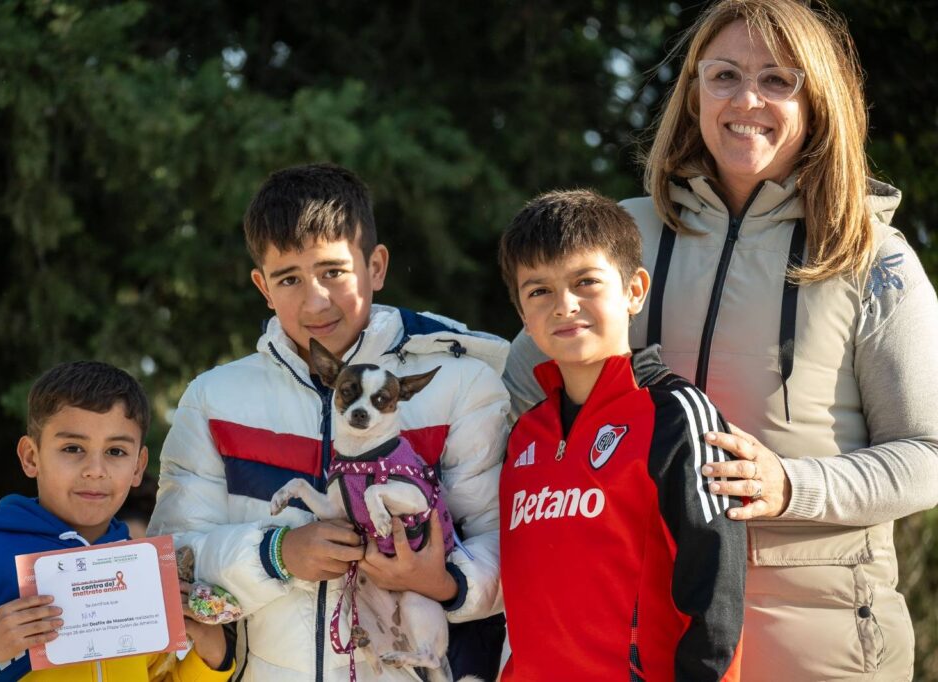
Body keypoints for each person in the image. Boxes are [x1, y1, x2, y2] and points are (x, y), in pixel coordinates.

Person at [503, 1, 938, 679]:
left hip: (823, 649)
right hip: (660, 647)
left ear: (818, 97)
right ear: (694, 92)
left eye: (777, 79)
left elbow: (927, 456)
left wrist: (790, 484)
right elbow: (523, 385)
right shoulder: (624, 236)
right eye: (725, 75)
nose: (747, 100)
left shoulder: (873, 257)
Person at [147, 163, 509, 681]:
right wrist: (275, 554)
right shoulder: (213, 398)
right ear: (262, 287)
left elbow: (509, 543)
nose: (315, 300)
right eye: (288, 278)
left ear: (376, 267)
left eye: (333, 272)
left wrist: (445, 581)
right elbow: (171, 560)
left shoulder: (459, 385)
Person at [497, 189, 745, 681]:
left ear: (634, 291)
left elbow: (716, 593)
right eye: (539, 291)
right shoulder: (525, 433)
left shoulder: (675, 415)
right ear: (523, 315)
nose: (564, 305)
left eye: (585, 282)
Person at [0, 360, 235, 681]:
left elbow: (156, 676)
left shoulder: (143, 572)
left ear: (138, 467)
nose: (95, 469)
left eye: (116, 451)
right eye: (72, 448)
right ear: (31, 457)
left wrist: (213, 659)